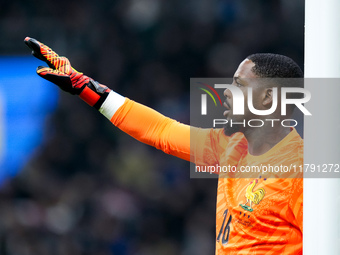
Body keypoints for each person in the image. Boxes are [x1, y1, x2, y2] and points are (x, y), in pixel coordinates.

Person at [24, 37, 303, 254]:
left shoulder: (301, 173)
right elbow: (159, 129)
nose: (226, 92)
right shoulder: (229, 146)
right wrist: (82, 84)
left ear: (268, 98)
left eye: (239, 85)